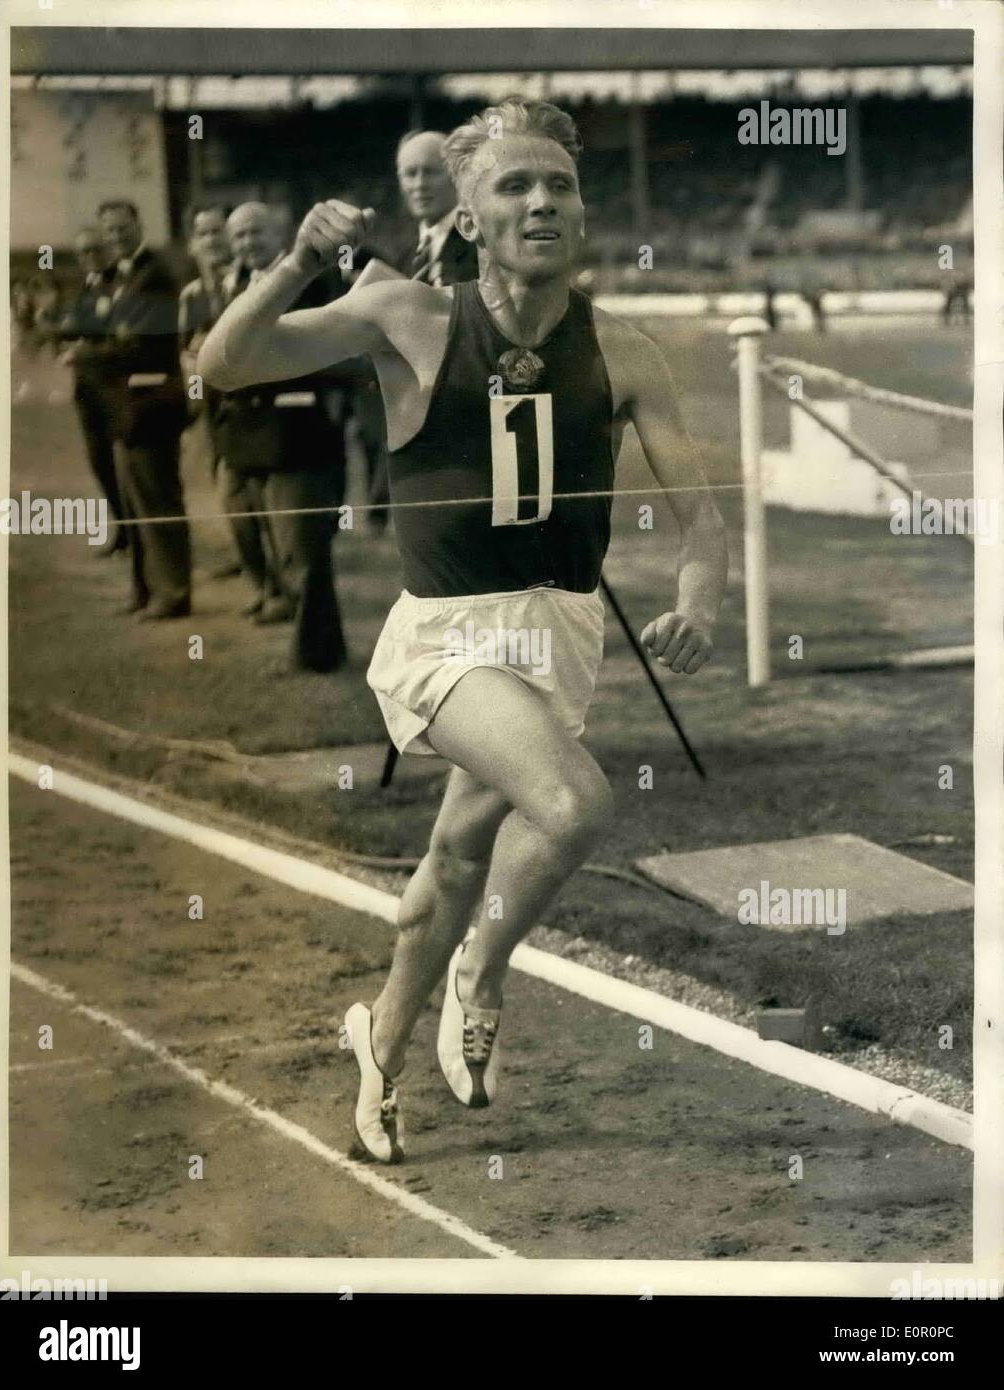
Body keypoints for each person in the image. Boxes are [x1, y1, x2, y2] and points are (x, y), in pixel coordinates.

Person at [200, 99, 728, 1163]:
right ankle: (482, 974)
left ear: (582, 212)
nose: (541, 204)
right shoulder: (410, 314)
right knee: (574, 802)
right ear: (472, 219)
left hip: (559, 638)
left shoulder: (623, 352)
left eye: (559, 187)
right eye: (513, 187)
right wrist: (299, 259)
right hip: (444, 640)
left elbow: (702, 516)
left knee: (452, 855)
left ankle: (380, 1047)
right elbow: (225, 364)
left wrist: (696, 602)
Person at [209, 201, 349, 669]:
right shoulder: (233, 284)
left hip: (296, 436)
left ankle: (317, 654)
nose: (248, 243)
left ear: (282, 233)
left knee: (303, 553)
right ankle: (298, 631)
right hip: (243, 436)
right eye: (240, 236)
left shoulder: (311, 281)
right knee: (260, 536)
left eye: (256, 233)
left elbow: (318, 352)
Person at [353, 131, 480, 532]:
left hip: (466, 412)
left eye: (430, 173)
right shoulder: (413, 250)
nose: (418, 184)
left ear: (457, 176)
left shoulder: (479, 240)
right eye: (409, 174)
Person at [71, 200, 191, 619]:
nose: (115, 237)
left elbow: (137, 345)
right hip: (127, 409)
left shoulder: (154, 274)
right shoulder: (123, 276)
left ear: (139, 226)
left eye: (123, 229)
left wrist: (86, 356)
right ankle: (145, 590)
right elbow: (116, 337)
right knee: (136, 503)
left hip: (152, 405)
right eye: (109, 232)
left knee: (158, 502)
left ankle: (173, 592)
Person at [177, 204, 247, 585]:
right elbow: (185, 351)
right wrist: (194, 395)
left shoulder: (250, 281)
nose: (211, 240)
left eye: (217, 231)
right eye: (202, 234)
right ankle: (241, 551)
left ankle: (264, 557)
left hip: (251, 395)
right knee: (221, 477)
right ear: (192, 244)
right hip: (213, 400)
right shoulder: (191, 295)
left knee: (246, 478)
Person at [55, 226, 126, 555]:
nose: (91, 257)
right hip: (87, 388)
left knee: (122, 464)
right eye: (84, 252)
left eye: (96, 250)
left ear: (108, 250)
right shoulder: (86, 287)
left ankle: (132, 529)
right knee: (99, 462)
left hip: (115, 388)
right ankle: (121, 525)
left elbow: (117, 336)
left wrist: (84, 344)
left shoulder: (120, 285)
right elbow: (75, 326)